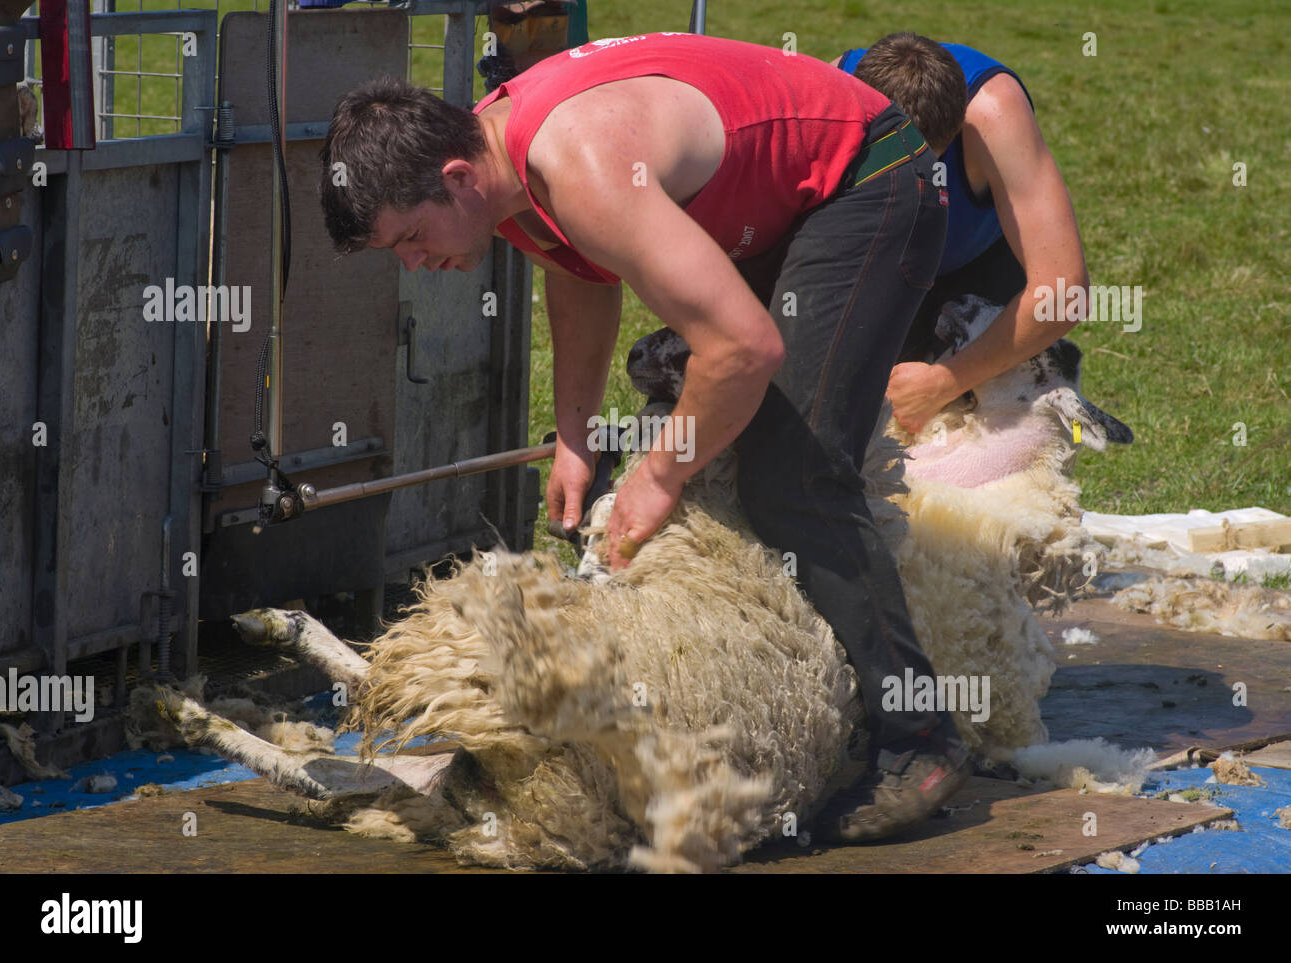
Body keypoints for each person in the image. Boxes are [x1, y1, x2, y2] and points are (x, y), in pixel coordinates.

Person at [318, 32, 971, 841]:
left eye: (411, 239)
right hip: (793, 196)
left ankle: (922, 738)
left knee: (794, 472)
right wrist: (575, 437)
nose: (417, 265)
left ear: (454, 178)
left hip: (871, 176)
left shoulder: (579, 164)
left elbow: (746, 348)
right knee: (727, 443)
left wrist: (657, 474)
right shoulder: (495, 164)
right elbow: (580, 276)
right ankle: (807, 697)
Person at [834, 33, 1089, 434]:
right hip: (879, 259)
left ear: (954, 130)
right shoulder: (831, 95)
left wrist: (945, 381)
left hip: (974, 262)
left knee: (976, 431)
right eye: (887, 162)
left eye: (920, 165)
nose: (904, 180)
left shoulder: (994, 115)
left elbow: (1063, 291)